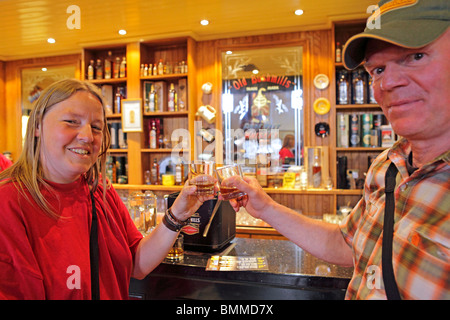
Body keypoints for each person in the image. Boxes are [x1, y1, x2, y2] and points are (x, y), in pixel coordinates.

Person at [222, 0, 449, 300]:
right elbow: (344, 244)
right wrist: (264, 207)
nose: (389, 82)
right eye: (378, 69)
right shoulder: (386, 166)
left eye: (416, 56)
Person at [0, 79, 215, 299]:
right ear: (37, 126)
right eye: (71, 121)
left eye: (96, 127)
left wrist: (178, 213)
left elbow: (138, 265)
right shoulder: (9, 202)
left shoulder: (99, 190)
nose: (87, 136)